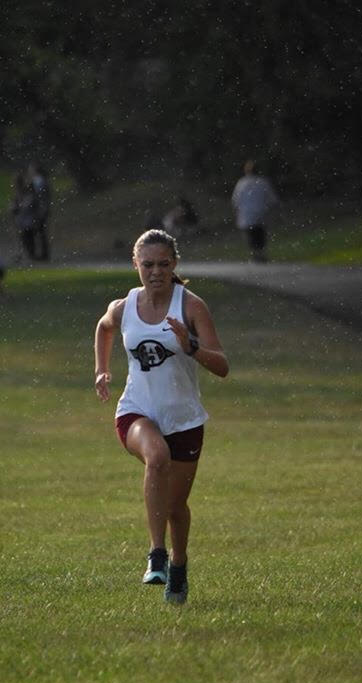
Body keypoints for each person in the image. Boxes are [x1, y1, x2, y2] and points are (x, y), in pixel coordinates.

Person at [94, 229, 229, 604]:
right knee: (156, 457)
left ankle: (179, 563)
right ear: (135, 264)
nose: (156, 272)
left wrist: (191, 346)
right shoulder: (124, 306)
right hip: (136, 411)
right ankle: (156, 555)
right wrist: (101, 370)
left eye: (164, 264)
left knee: (174, 506)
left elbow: (222, 366)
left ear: (175, 265)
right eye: (148, 264)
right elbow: (104, 327)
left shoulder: (191, 306)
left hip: (184, 420)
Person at [231, 159, 279, 262]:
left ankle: (255, 255)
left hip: (246, 214)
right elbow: (272, 199)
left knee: (251, 235)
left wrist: (237, 212)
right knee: (260, 234)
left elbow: (235, 200)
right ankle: (261, 254)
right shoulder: (263, 182)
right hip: (261, 213)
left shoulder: (241, 183)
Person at [11, 171, 38, 261]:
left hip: (26, 218)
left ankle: (29, 254)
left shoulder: (26, 191)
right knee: (23, 237)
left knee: (27, 236)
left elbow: (28, 203)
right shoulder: (18, 192)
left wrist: (18, 206)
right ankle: (23, 254)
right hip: (21, 218)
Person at [28, 162, 51, 261]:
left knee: (39, 232)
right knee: (40, 232)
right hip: (40, 209)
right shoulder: (41, 180)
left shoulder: (38, 181)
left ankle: (42, 254)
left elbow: (39, 196)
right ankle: (42, 253)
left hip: (39, 210)